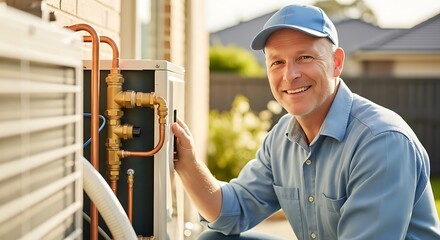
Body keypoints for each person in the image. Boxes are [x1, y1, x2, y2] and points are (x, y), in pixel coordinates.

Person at [172, 4, 440, 240]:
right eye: (277, 62)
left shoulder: (381, 142)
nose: (290, 75)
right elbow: (232, 212)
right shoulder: (283, 138)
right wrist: (187, 163)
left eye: (305, 57)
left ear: (336, 63)